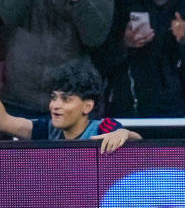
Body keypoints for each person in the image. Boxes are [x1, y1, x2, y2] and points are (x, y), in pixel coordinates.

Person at [0, 59, 138, 151]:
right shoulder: (46, 130)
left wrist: (123, 134)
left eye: (65, 99)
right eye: (54, 98)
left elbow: (137, 139)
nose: (55, 105)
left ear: (87, 106)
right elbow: (4, 121)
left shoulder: (104, 128)